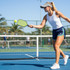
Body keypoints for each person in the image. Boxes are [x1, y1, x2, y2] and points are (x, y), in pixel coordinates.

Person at [28, 2, 70, 69]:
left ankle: (57, 64)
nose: (44, 8)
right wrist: (33, 26)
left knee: (56, 46)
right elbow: (41, 26)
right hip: (54, 31)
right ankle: (65, 56)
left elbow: (66, 18)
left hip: (61, 30)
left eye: (45, 7)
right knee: (55, 48)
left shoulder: (57, 13)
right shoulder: (46, 16)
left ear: (49, 7)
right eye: (43, 7)